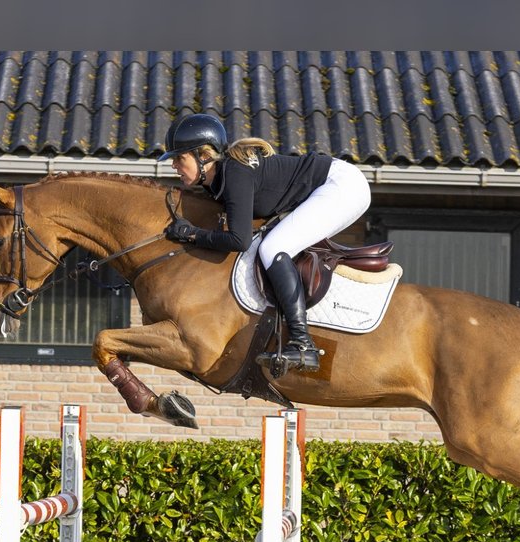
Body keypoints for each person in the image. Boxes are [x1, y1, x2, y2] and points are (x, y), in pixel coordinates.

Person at [159, 113, 371, 373]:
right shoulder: (219, 180)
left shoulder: (235, 173)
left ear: (203, 156)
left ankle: (303, 344)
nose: (174, 166)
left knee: (273, 248)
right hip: (335, 184)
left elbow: (239, 239)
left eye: (179, 158)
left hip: (342, 186)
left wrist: (191, 234)